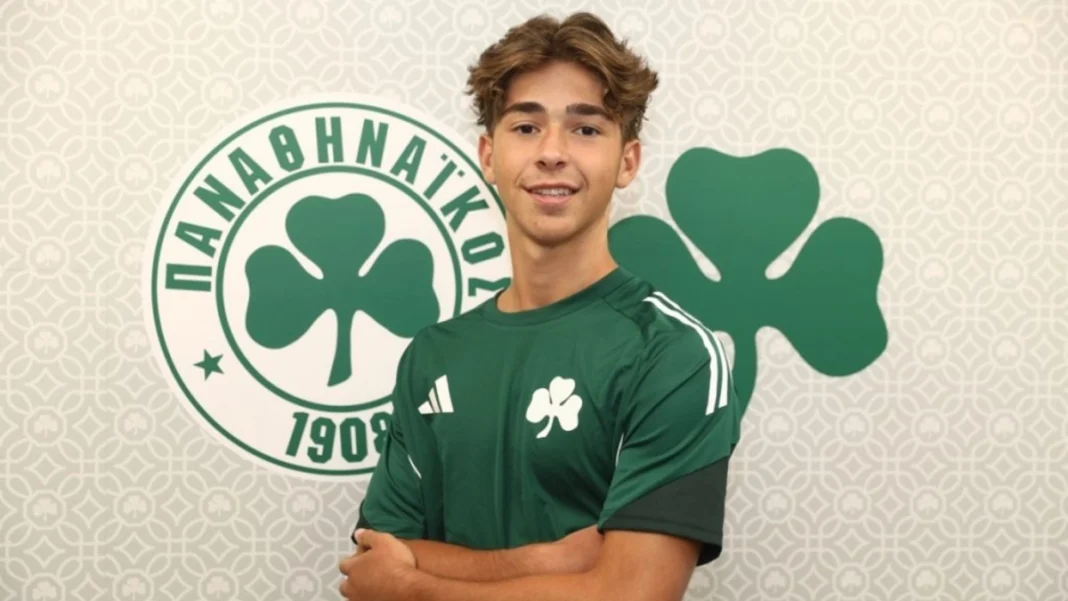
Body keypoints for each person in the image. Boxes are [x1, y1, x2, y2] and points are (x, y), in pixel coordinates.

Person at [338, 11, 742, 601]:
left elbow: (632, 594)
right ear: (488, 154)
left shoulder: (672, 353)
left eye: (586, 129)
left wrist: (412, 587)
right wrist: (552, 559)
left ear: (627, 161)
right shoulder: (431, 355)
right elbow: (379, 556)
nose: (552, 152)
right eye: (526, 127)